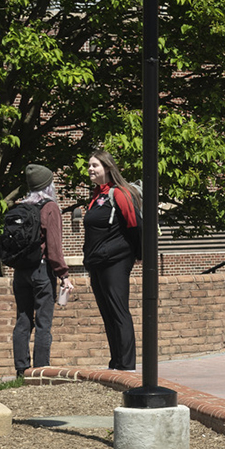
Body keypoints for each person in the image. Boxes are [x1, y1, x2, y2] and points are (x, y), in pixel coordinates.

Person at [3, 163, 72, 375]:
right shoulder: (49, 207)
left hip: (20, 271)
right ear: (48, 185)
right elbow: (54, 247)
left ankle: (21, 369)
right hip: (41, 271)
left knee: (23, 319)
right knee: (43, 323)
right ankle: (41, 370)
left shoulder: (20, 206)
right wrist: (63, 274)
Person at [81, 147, 140, 371]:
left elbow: (135, 225)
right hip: (97, 262)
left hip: (115, 260)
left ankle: (127, 365)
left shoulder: (119, 193)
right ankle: (115, 362)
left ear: (108, 167)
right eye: (89, 165)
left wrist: (138, 254)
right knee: (107, 312)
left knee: (118, 310)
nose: (90, 169)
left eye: (94, 165)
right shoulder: (97, 196)